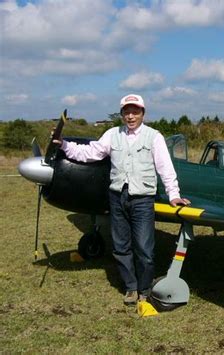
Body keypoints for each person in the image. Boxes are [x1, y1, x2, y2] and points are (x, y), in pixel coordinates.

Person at [54, 94, 190, 306]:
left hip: (143, 199)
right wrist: (64, 145)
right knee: (120, 247)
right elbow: (90, 153)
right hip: (117, 197)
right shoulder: (111, 134)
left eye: (135, 111)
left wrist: (173, 195)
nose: (131, 115)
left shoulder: (154, 137)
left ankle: (145, 289)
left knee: (144, 248)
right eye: (126, 111)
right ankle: (131, 288)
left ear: (143, 113)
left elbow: (165, 168)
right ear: (122, 115)